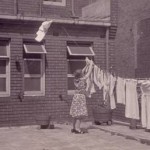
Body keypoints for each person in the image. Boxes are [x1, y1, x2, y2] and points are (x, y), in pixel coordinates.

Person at [70, 59, 93, 134]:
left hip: (75, 97)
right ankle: (77, 129)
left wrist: (86, 65)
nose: (83, 74)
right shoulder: (82, 80)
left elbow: (81, 71)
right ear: (81, 75)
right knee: (79, 115)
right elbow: (88, 73)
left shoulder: (76, 79)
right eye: (82, 73)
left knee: (75, 115)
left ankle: (73, 128)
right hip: (80, 98)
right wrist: (91, 65)